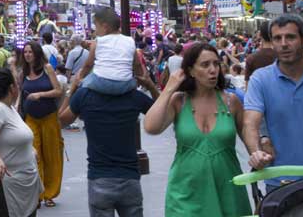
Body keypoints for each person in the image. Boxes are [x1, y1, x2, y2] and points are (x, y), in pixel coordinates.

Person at [144, 43, 251, 216]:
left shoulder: (231, 101)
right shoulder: (179, 101)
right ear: (191, 71)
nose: (213, 70)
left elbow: (249, 136)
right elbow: (151, 126)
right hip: (186, 193)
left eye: (216, 64)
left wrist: (259, 153)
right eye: (205, 64)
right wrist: (169, 88)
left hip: (228, 189)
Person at [59, 67, 158, 217]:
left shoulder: (84, 95)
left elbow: (60, 120)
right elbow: (162, 114)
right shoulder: (134, 97)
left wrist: (72, 89)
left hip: (99, 178)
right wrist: (150, 85)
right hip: (129, 177)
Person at [243, 15, 303, 192]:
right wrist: (256, 151)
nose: (284, 44)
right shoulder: (260, 79)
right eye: (277, 38)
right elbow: (250, 124)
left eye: (290, 37)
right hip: (280, 184)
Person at [0, 67, 41, 217]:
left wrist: (29, 150)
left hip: (22, 184)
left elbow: (11, 138)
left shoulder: (8, 108)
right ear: (12, 88)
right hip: (6, 187)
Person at [19, 41, 63, 208]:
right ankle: (37, 193)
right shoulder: (23, 73)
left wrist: (40, 95)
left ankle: (50, 194)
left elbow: (58, 91)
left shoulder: (47, 69)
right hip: (30, 118)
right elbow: (20, 95)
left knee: (52, 156)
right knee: (33, 156)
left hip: (49, 117)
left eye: (30, 52)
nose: (27, 55)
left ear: (37, 54)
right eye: (25, 52)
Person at [72, 7, 142, 96]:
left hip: (101, 83)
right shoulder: (130, 41)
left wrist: (80, 76)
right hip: (125, 84)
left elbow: (88, 65)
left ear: (105, 27)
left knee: (82, 83)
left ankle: (70, 96)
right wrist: (140, 78)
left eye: (96, 27)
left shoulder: (98, 41)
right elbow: (137, 64)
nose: (96, 32)